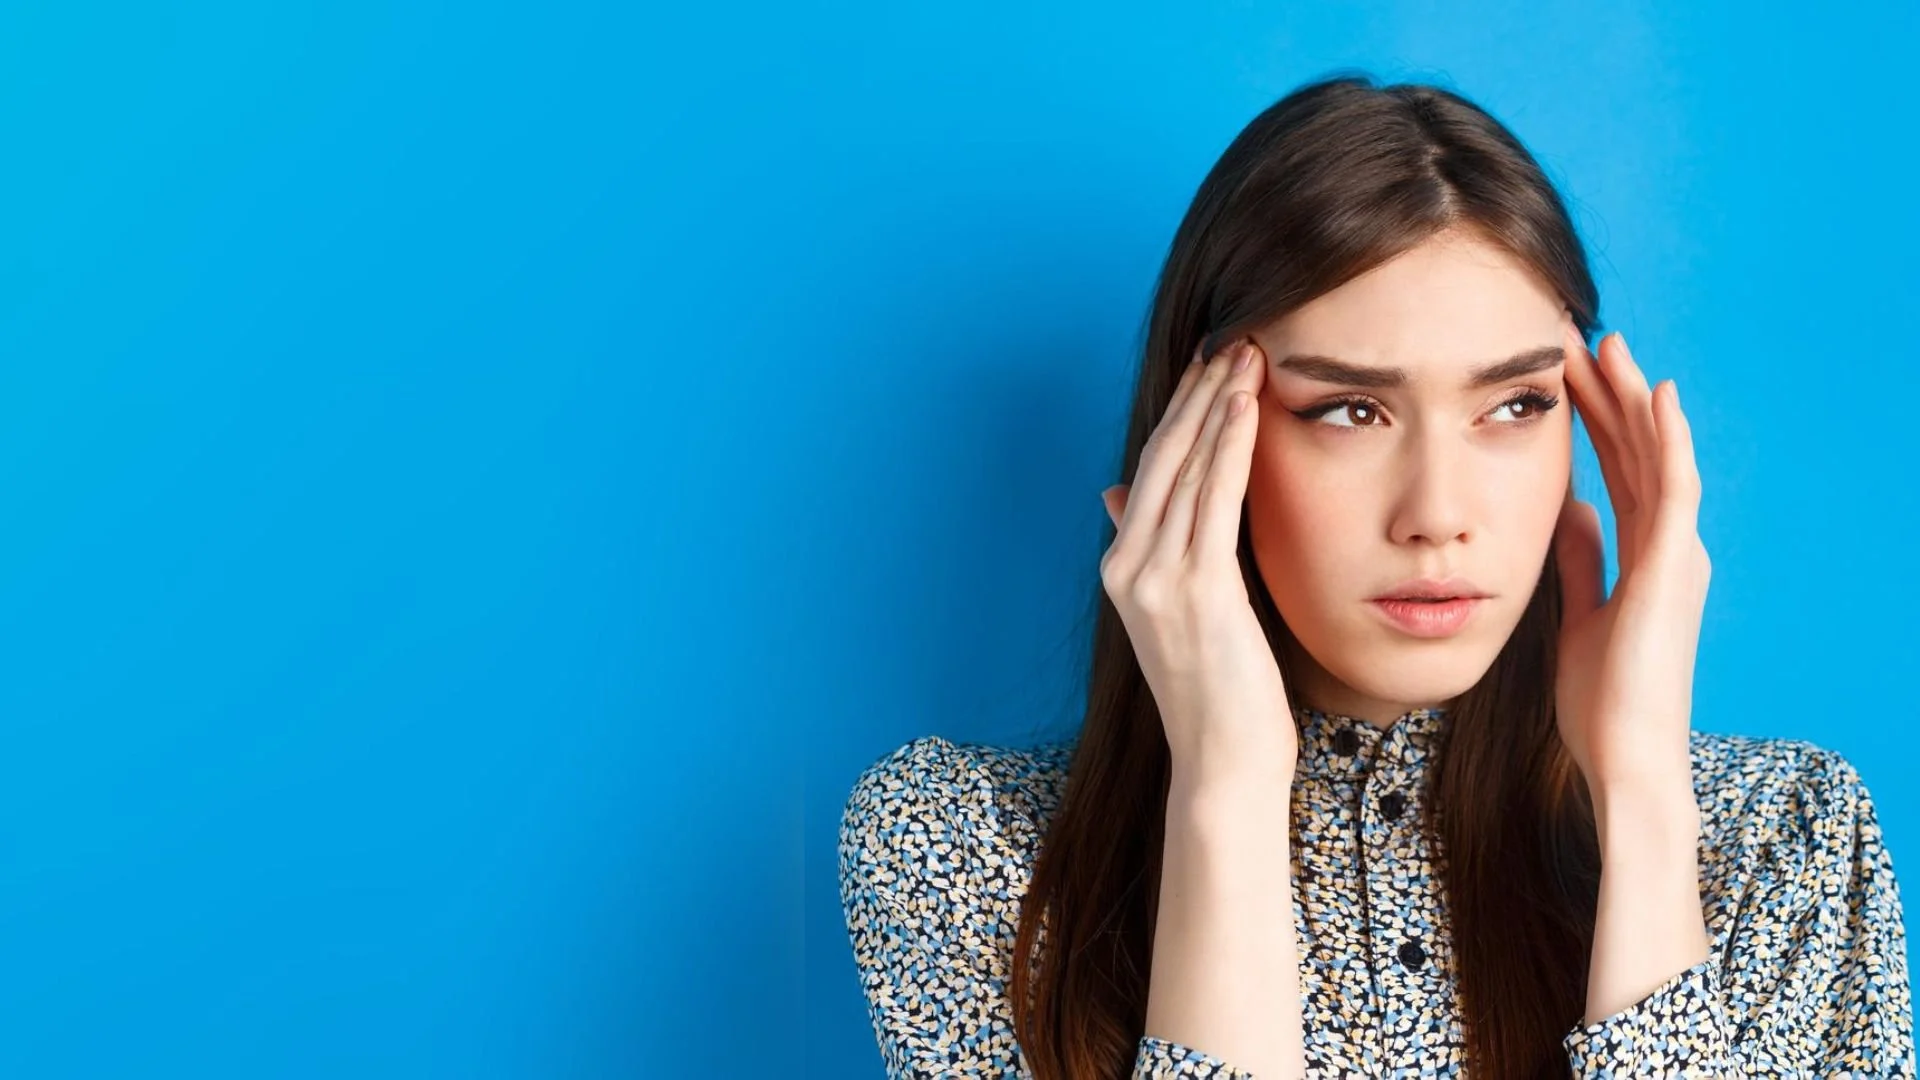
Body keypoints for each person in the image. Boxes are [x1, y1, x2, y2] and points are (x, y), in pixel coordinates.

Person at [836, 73, 1915, 1079]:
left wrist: (1640, 800)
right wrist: (1226, 788)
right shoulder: (964, 852)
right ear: (1200, 436)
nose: (1438, 515)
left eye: (1514, 406)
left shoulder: (1783, 835)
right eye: (1350, 410)